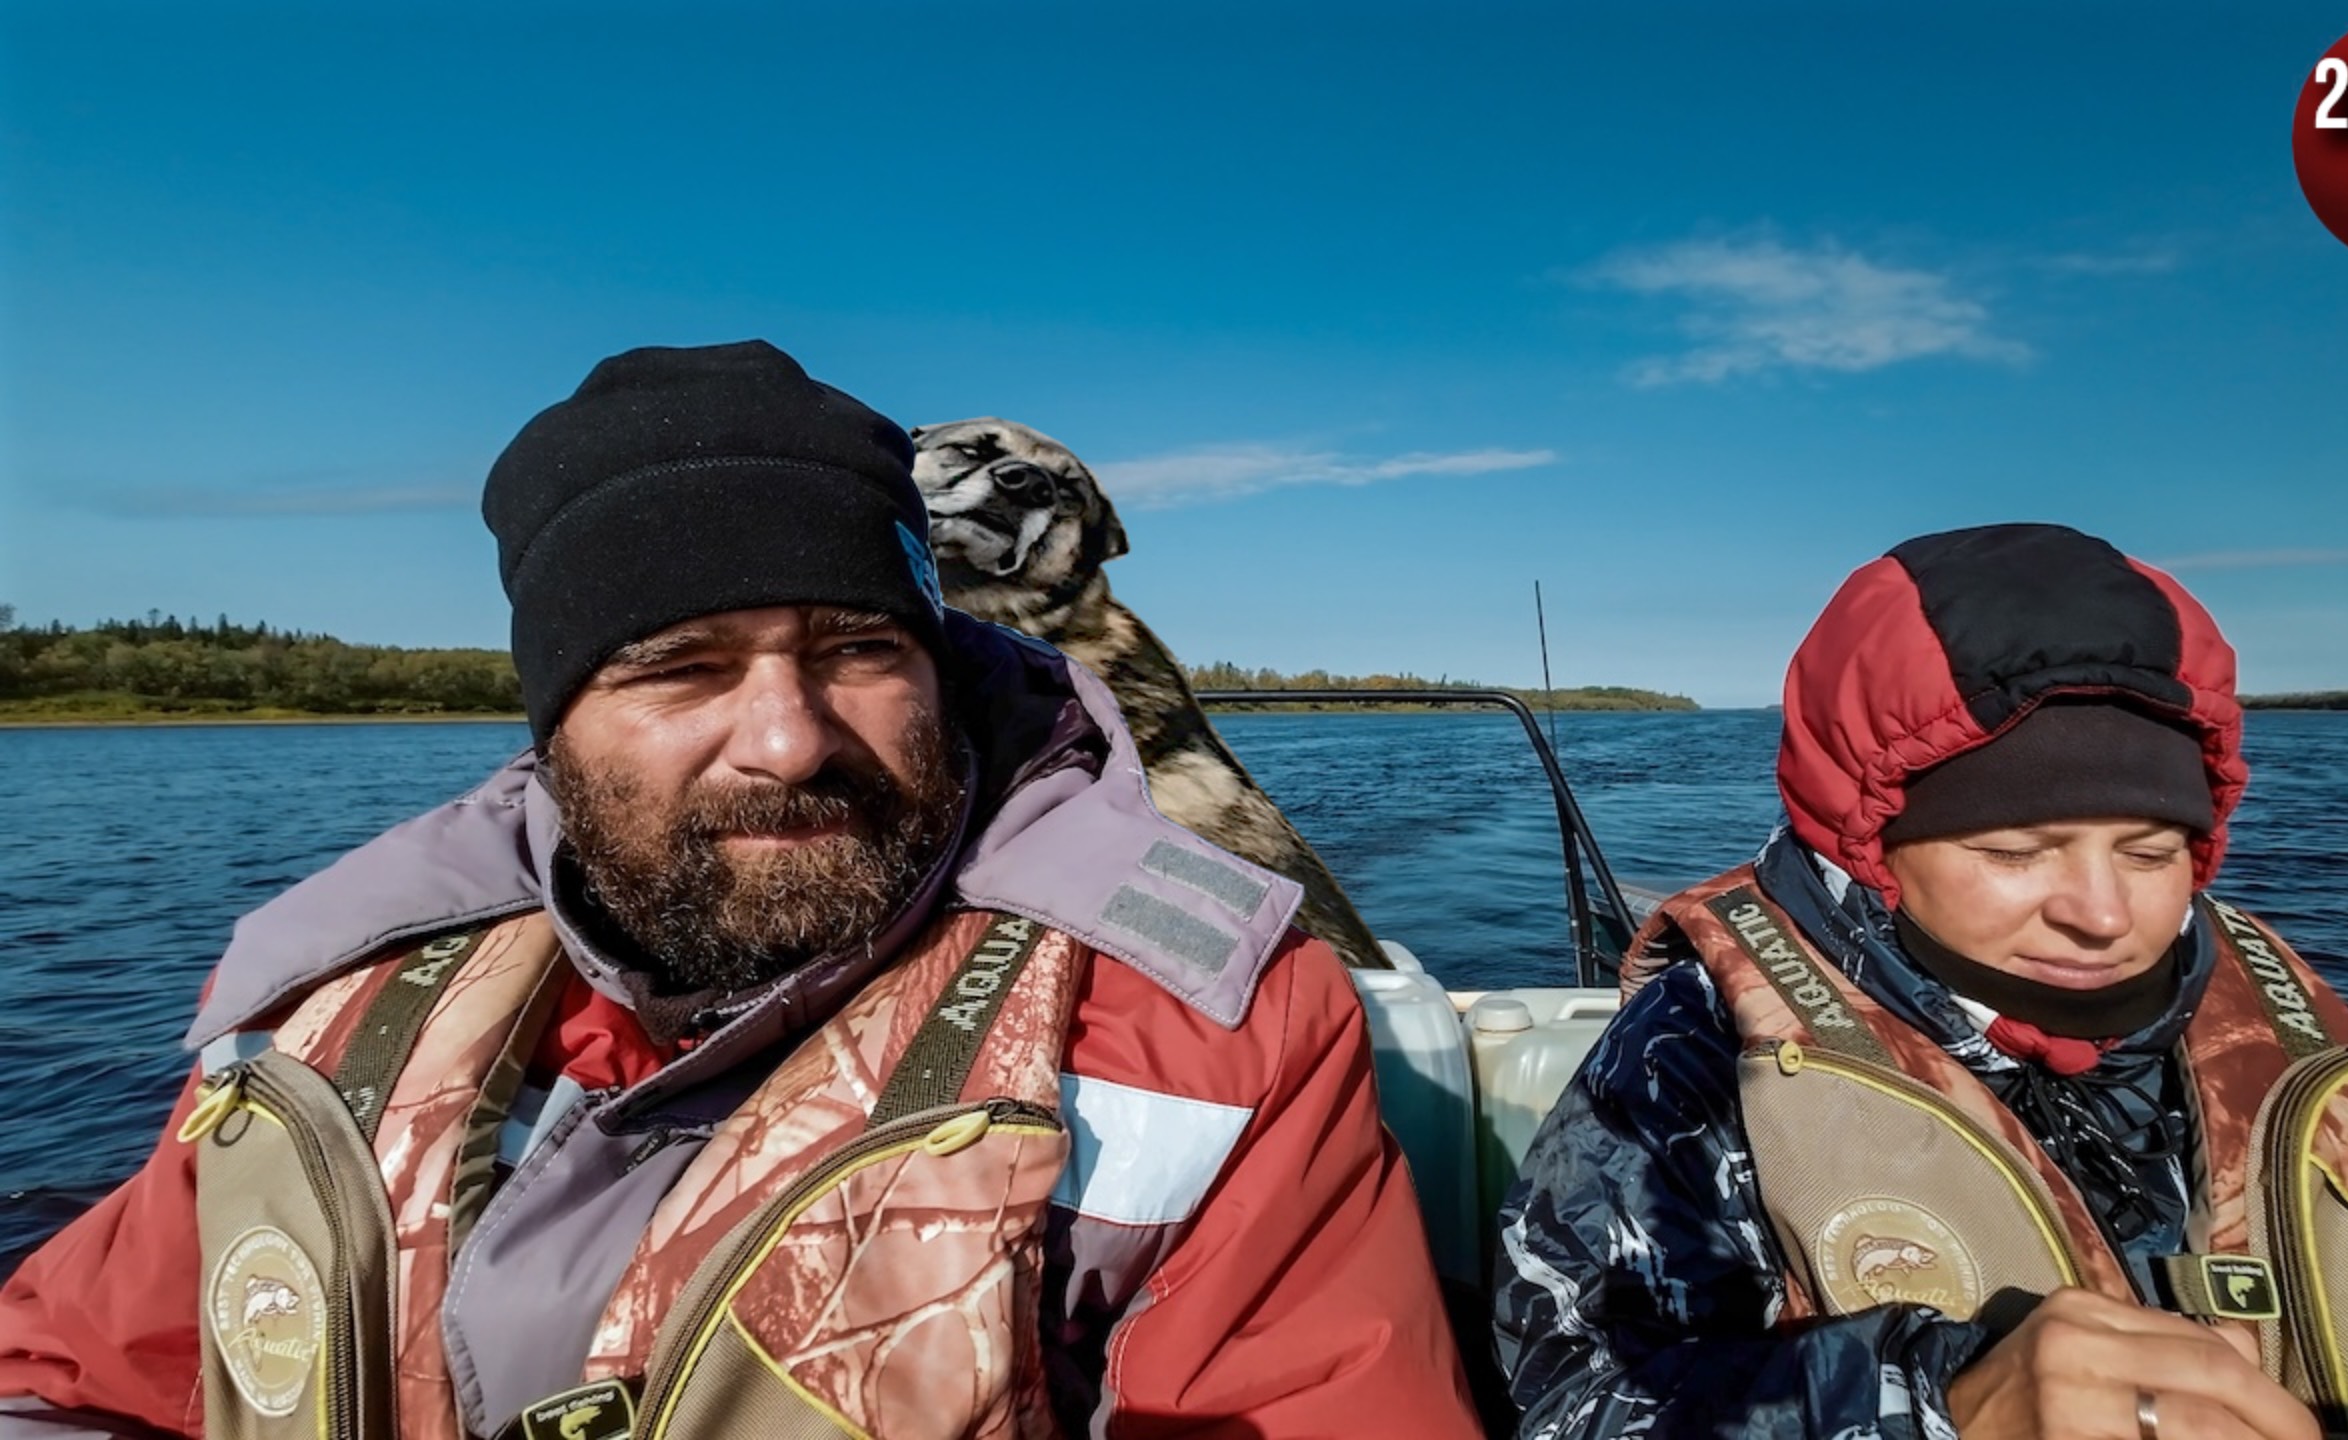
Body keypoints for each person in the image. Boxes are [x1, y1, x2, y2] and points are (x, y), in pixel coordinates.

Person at [0, 341, 1480, 1440]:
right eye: (681, 668)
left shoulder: (1197, 1032)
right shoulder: (326, 1017)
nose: (786, 741)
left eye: (855, 648)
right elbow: (67, 1382)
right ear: (552, 720)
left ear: (938, 662)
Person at [1491, 524, 2348, 1439]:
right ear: (1872, 847)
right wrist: (1936, 1398)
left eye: (2150, 852)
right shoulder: (1698, 1055)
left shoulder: (2285, 1011)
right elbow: (1581, 1396)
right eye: (2015, 853)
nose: (2102, 914)